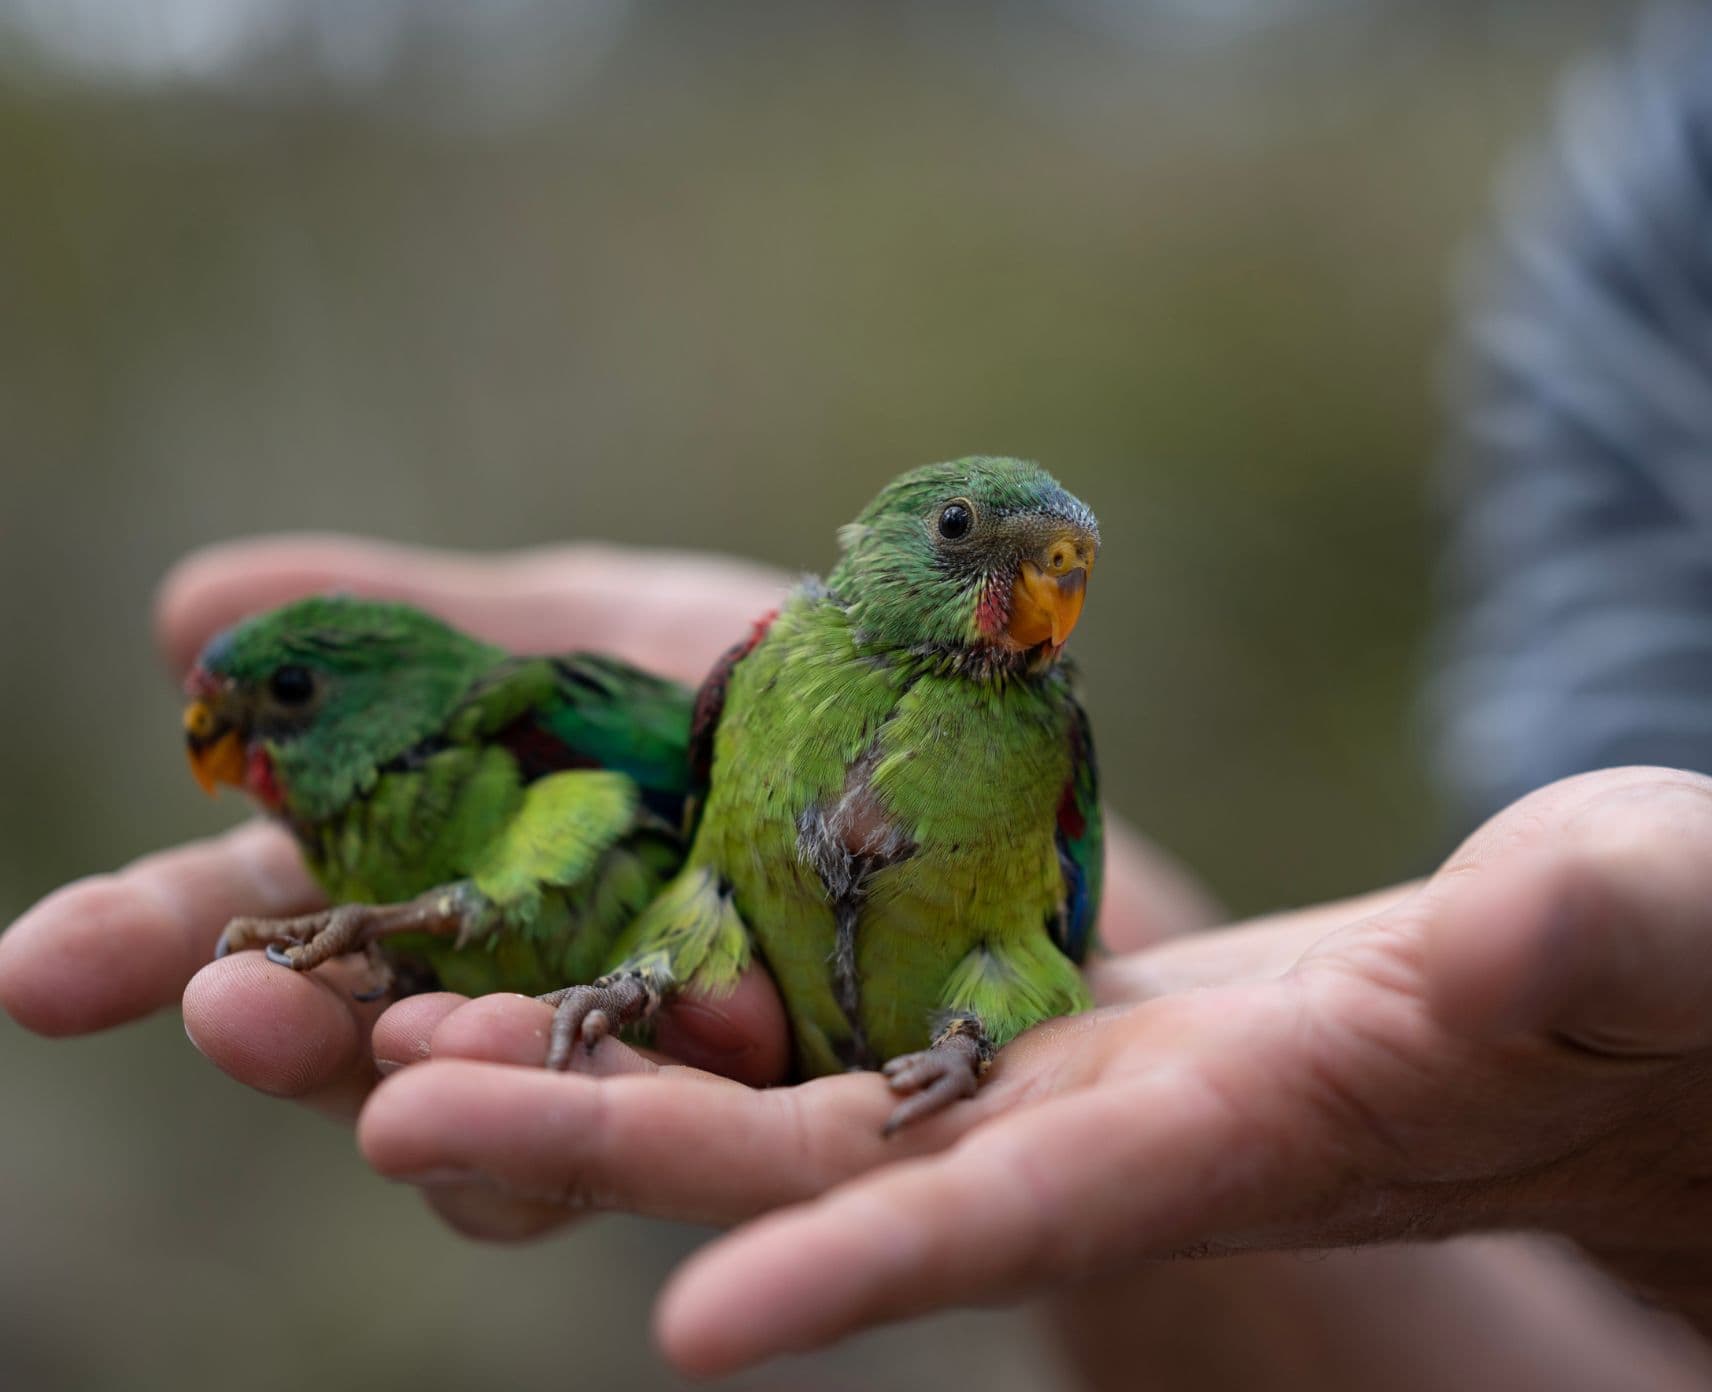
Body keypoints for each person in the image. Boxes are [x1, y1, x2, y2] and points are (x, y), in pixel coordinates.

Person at [9, 6, 1712, 1387]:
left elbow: (1065, 929)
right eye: (977, 538)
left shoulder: (1045, 731)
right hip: (711, 943)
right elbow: (696, 871)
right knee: (682, 941)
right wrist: (632, 970)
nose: (1034, 583)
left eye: (1062, 567)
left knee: (988, 988)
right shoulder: (759, 666)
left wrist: (1015, 1023)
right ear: (888, 547)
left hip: (979, 976)